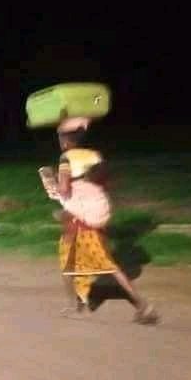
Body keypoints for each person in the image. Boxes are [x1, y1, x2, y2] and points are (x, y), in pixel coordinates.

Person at [47, 117, 159, 324]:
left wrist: (55, 188)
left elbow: (64, 189)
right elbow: (102, 184)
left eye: (60, 137)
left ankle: (79, 307)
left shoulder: (66, 158)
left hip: (79, 220)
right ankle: (141, 306)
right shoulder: (95, 155)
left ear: (65, 139)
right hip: (97, 214)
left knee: (74, 264)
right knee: (103, 264)